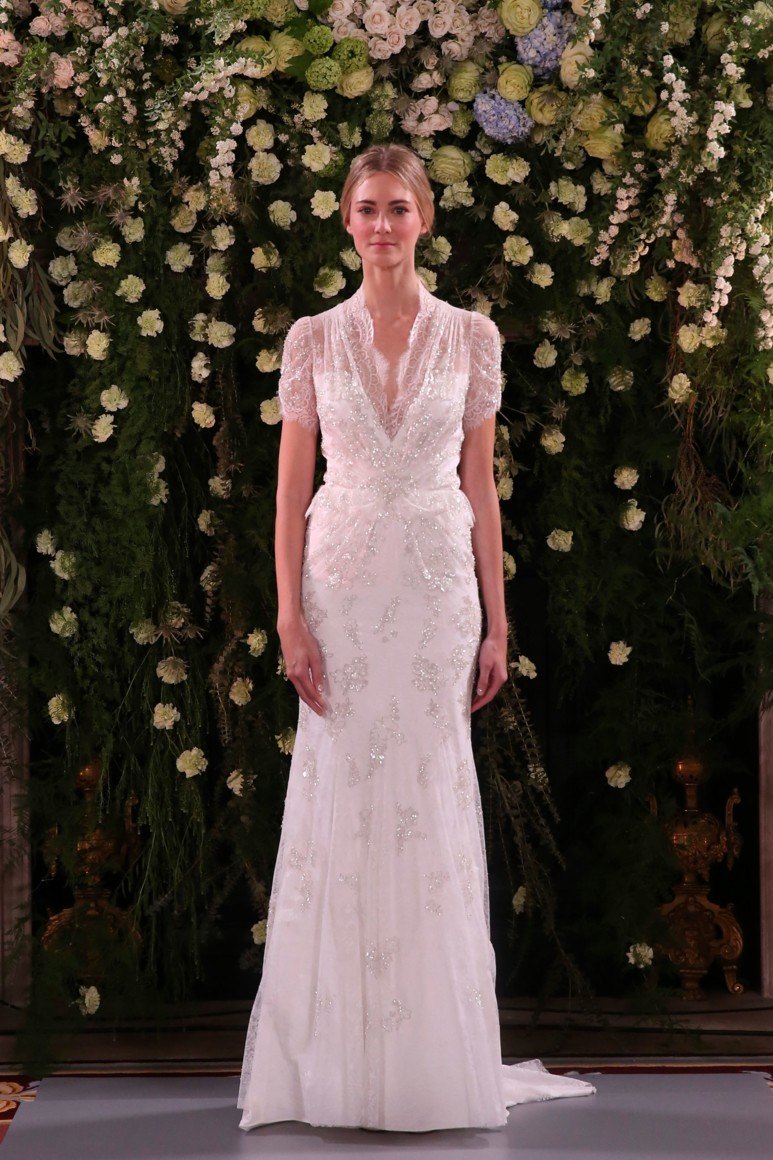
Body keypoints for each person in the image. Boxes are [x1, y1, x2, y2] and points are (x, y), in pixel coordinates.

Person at [237, 143, 596, 1132]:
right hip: (341, 586)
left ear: (424, 219)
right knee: (343, 794)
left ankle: (430, 1060)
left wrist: (497, 617)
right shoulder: (311, 338)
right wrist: (288, 614)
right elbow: (289, 491)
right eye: (367, 207)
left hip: (438, 590)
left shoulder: (471, 336)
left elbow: (480, 483)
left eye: (398, 207)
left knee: (427, 796)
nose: (383, 224)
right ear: (344, 219)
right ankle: (335, 1060)